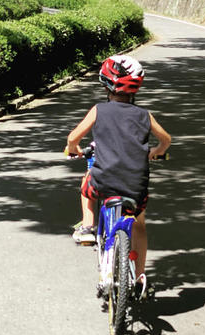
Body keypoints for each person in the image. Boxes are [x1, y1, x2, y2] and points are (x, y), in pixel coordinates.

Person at [65, 54, 171, 291]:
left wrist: (73, 149)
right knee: (139, 225)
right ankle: (140, 276)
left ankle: (88, 226)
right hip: (136, 186)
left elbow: (73, 138)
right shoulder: (144, 115)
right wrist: (155, 151)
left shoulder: (99, 110)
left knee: (87, 184)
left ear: (106, 83)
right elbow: (166, 139)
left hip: (104, 181)